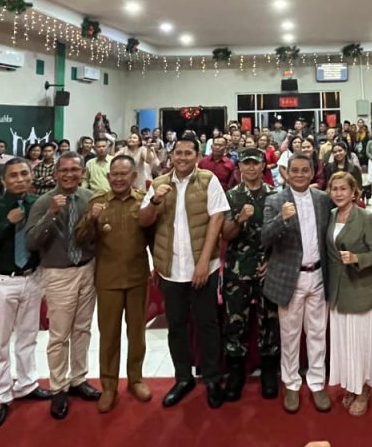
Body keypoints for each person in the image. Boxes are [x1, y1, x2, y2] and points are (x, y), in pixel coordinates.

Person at [139, 134, 228, 409]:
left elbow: (217, 219)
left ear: (197, 156)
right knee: (176, 326)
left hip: (203, 268)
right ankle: (183, 378)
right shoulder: (159, 184)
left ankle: (212, 378)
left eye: (189, 153)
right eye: (178, 152)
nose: (183, 157)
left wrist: (203, 262)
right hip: (170, 270)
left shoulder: (208, 180)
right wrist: (155, 201)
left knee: (207, 325)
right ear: (172, 154)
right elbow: (143, 220)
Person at [0, 157, 51, 430]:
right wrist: (6, 222)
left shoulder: (38, 204)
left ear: (31, 176)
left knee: (28, 337)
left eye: (24, 174)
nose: (20, 179)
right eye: (13, 175)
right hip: (2, 280)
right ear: (3, 180)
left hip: (32, 278)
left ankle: (27, 384)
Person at [75, 154, 153, 413]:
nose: (118, 179)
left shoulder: (143, 201)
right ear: (108, 177)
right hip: (107, 278)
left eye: (123, 174)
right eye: (114, 174)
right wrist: (91, 218)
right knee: (108, 335)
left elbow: (155, 236)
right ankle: (109, 386)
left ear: (133, 176)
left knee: (137, 333)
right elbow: (80, 238)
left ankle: (136, 379)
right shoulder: (97, 202)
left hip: (138, 277)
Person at [25, 152, 100, 419]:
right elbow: (31, 242)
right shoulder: (43, 201)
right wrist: (51, 214)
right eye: (64, 170)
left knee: (82, 329)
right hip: (58, 273)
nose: (69, 175)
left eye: (74, 170)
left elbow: (98, 235)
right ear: (55, 173)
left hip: (87, 269)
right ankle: (58, 386)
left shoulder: (90, 198)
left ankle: (78, 378)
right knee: (59, 335)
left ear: (82, 173)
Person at [262, 154, 335, 414]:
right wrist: (281, 219)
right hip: (289, 278)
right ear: (287, 173)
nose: (300, 175)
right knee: (290, 335)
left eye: (305, 170)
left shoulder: (323, 199)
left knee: (317, 333)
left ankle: (316, 382)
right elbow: (264, 238)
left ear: (312, 172)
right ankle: (291, 383)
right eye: (295, 170)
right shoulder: (274, 200)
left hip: (319, 275)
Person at [324, 171, 372, 417]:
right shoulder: (330, 216)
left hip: (361, 290)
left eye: (343, 189)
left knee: (361, 343)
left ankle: (364, 390)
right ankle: (351, 384)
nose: (338, 193)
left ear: (354, 192)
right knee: (345, 343)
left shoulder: (366, 217)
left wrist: (357, 258)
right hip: (338, 291)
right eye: (334, 189)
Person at [220, 148, 280, 401]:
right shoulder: (230, 196)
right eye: (246, 164)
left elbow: (282, 233)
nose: (251, 168)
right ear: (240, 168)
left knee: (270, 319)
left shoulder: (275, 195)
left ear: (264, 166)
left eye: (256, 163)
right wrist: (239, 219)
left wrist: (273, 260)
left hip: (268, 267)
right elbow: (226, 234)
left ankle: (269, 369)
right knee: (235, 321)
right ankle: (236, 371)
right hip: (238, 269)